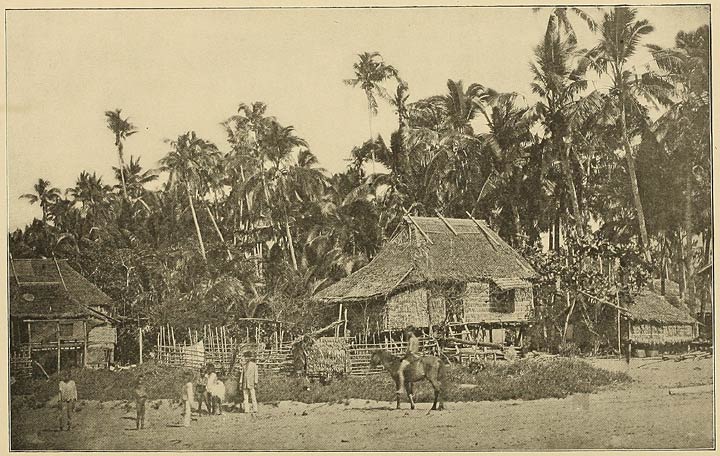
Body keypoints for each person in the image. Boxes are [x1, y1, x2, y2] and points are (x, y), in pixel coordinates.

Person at [396, 326, 420, 394]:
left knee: (400, 371)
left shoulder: (411, 339)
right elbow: (417, 349)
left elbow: (409, 350)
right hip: (417, 355)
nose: (407, 333)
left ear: (411, 332)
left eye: (408, 332)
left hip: (411, 356)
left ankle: (401, 388)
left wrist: (403, 357)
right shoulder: (417, 339)